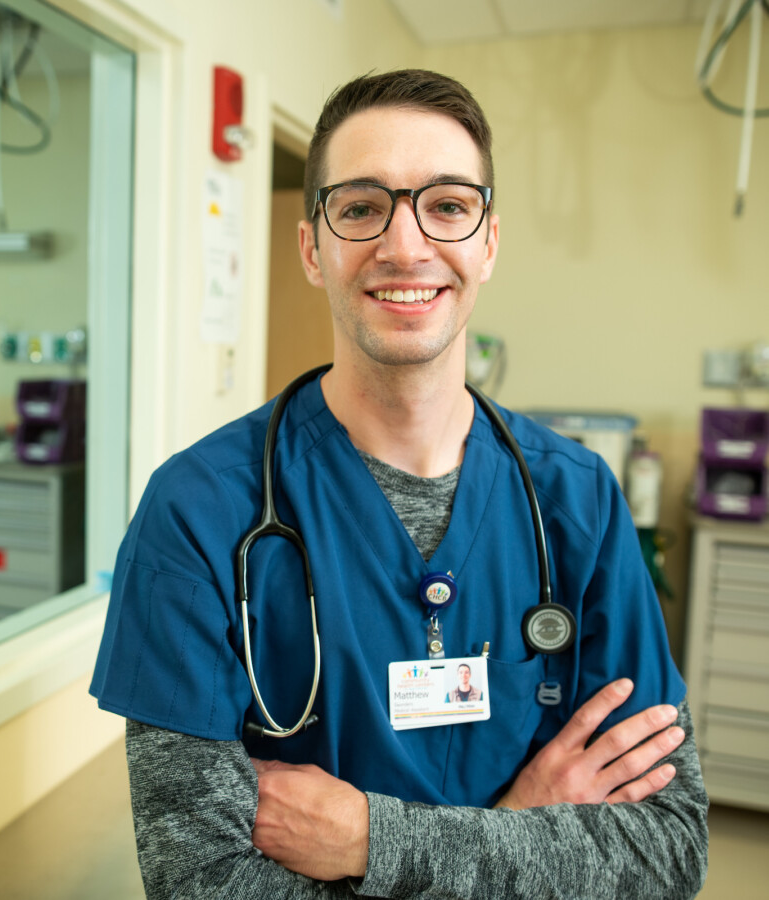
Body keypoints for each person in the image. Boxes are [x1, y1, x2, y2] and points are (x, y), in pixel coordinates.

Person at [90, 68, 708, 898]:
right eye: (361, 207)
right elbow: (201, 880)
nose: (406, 245)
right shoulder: (199, 512)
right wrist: (519, 827)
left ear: (489, 240)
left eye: (448, 205)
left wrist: (368, 839)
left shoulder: (580, 502)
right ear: (314, 246)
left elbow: (665, 848)